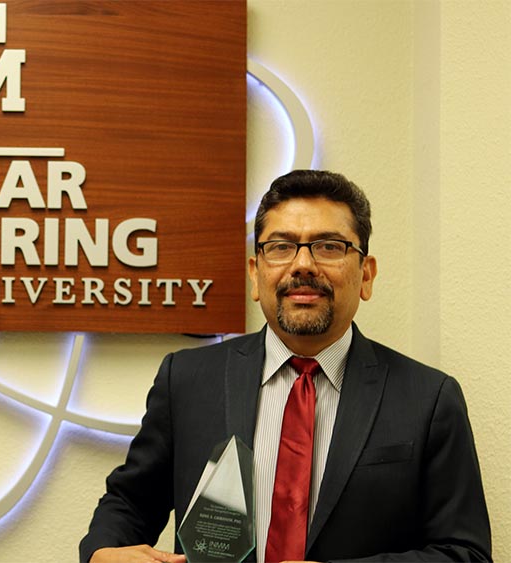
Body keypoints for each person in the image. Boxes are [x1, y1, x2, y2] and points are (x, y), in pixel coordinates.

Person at [80, 170, 491, 563]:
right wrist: (102, 551)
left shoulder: (429, 399)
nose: (303, 265)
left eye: (329, 246)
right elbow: (130, 501)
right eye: (281, 247)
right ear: (256, 275)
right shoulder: (186, 380)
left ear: (366, 276)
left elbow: (464, 553)